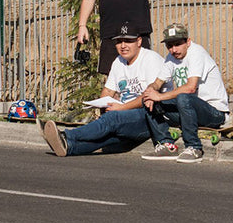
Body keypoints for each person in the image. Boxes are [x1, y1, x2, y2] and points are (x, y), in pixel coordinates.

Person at [40, 21, 164, 156]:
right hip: (126, 117)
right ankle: (69, 147)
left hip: (150, 117)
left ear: (139, 41)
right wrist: (104, 102)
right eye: (119, 41)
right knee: (107, 138)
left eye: (128, 41)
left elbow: (149, 96)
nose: (123, 46)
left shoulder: (151, 59)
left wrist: (121, 108)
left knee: (112, 119)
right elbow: (108, 91)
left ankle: (64, 135)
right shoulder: (118, 62)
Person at [140, 23, 231, 163]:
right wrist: (151, 92)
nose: (173, 49)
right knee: (147, 100)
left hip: (214, 112)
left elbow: (190, 88)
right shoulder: (171, 58)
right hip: (189, 112)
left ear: (188, 42)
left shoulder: (197, 53)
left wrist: (159, 96)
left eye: (177, 44)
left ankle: (194, 147)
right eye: (169, 46)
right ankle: (167, 145)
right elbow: (158, 82)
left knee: (183, 97)